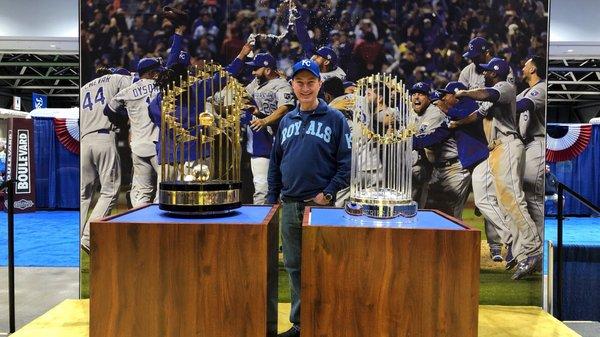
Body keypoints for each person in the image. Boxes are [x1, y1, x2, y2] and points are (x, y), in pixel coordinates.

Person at [267, 59, 351, 337]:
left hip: (319, 207)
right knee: (293, 265)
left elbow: (347, 164)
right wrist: (272, 197)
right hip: (290, 203)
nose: (305, 88)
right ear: (292, 85)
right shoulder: (286, 120)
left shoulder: (335, 119)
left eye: (310, 82)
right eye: (299, 82)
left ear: (319, 84)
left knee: (322, 266)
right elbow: (275, 162)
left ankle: (324, 321)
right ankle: (302, 325)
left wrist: (328, 193)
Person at [454, 57, 542, 280]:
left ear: (495, 73)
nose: (483, 73)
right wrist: (457, 123)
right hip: (495, 149)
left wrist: (465, 93)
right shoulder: (493, 89)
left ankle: (533, 251)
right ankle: (519, 250)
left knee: (513, 199)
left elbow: (488, 95)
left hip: (508, 144)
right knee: (495, 199)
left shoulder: (504, 87)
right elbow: (478, 115)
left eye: (486, 71)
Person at [459, 36, 513, 262]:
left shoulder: (504, 78)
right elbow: (469, 107)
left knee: (501, 198)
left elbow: (491, 96)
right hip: (481, 136)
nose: (474, 63)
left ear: (487, 53)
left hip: (503, 137)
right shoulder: (467, 71)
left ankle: (507, 245)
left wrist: (466, 95)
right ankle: (507, 243)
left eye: (476, 57)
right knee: (484, 199)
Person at [80, 67, 134, 253]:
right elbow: (137, 84)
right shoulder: (115, 78)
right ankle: (89, 237)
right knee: (110, 190)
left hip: (84, 140)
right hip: (104, 136)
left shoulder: (84, 88)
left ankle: (78, 235)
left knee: (83, 194)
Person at [105, 57, 164, 207]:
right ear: (151, 73)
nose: (159, 74)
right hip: (158, 144)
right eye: (157, 72)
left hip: (137, 145)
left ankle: (141, 223)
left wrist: (127, 114)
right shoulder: (163, 87)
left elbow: (109, 110)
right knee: (163, 189)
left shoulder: (128, 91)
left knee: (142, 191)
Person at [410, 82, 471, 219]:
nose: (442, 99)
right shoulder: (416, 114)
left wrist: (406, 141)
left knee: (451, 216)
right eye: (414, 94)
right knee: (435, 213)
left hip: (454, 167)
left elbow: (431, 139)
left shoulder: (441, 115)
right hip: (439, 169)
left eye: (421, 94)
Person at [244, 52, 295, 204]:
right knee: (261, 190)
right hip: (259, 143)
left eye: (256, 69)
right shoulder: (256, 82)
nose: (253, 72)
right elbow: (244, 94)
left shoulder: (282, 85)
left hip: (281, 143)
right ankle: (261, 226)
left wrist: (264, 120)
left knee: (283, 189)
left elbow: (284, 108)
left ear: (267, 70)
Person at [517, 55, 547, 241]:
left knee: (533, 198)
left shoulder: (542, 88)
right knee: (527, 199)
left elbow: (524, 105)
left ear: (533, 69)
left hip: (538, 142)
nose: (522, 68)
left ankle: (543, 248)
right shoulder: (527, 90)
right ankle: (535, 246)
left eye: (525, 65)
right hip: (528, 146)